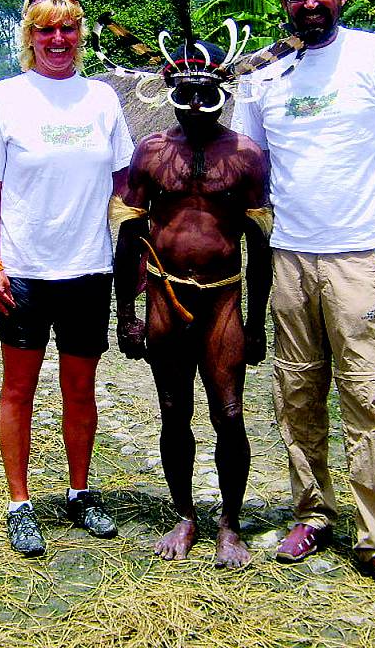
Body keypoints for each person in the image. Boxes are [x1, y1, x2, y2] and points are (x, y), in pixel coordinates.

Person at [232, 0, 375, 600]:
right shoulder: (262, 73)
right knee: (296, 396)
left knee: (367, 396)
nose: (309, 3)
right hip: (287, 257)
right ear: (283, 1)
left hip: (359, 254)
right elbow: (248, 166)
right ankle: (309, 514)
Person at [0, 0, 134, 557]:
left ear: (80, 34)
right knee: (20, 389)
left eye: (68, 28)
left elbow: (126, 184)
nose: (57, 40)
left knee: (81, 388)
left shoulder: (103, 99)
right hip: (25, 272)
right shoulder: (6, 97)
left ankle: (80, 491)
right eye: (45, 29)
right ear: (29, 37)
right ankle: (19, 503)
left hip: (88, 268)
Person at [114, 41, 272, 568]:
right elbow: (129, 235)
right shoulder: (152, 152)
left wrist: (254, 322)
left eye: (208, 93)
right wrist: (127, 316)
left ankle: (229, 522)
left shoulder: (246, 155)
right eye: (187, 93)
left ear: (222, 92)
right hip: (164, 296)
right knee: (173, 410)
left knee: (229, 415)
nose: (197, 103)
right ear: (172, 94)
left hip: (223, 301)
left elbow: (260, 245)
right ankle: (184, 514)